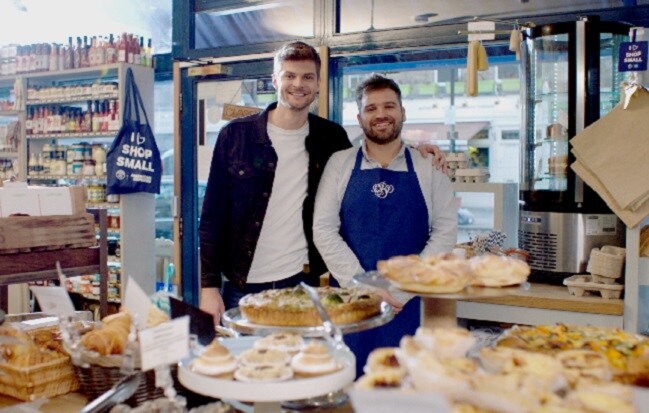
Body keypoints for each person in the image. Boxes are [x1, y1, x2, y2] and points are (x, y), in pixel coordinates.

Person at [199, 41, 446, 325]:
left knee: (305, 355)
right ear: (275, 80)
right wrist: (208, 287)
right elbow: (212, 217)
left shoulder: (329, 137)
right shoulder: (235, 136)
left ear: (318, 84)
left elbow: (372, 152)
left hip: (303, 284)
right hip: (241, 285)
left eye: (307, 77)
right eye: (290, 76)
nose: (298, 84)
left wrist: (415, 150)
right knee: (245, 355)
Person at [313, 74, 457, 375]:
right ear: (360, 118)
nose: (381, 114)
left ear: (402, 112)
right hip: (351, 303)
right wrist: (363, 288)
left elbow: (445, 232)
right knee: (350, 385)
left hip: (411, 304)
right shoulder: (339, 163)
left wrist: (402, 289)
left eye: (389, 106)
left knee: (406, 384)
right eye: (371, 108)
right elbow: (323, 230)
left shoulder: (429, 165)